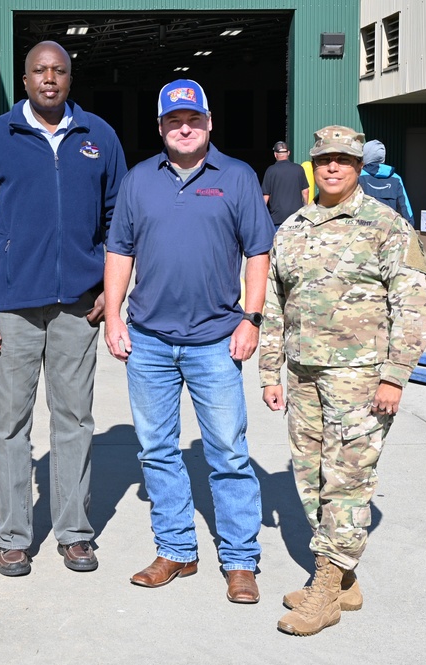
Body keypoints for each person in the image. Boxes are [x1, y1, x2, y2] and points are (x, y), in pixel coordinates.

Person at [0, 40, 126, 577]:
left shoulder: (99, 137)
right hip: (11, 309)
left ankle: (75, 532)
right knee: (11, 424)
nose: (49, 79)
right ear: (24, 80)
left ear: (70, 78)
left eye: (58, 71)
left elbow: (119, 220)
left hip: (80, 307)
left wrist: (110, 289)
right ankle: (12, 536)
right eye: (39, 71)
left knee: (75, 420)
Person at [259, 125, 426, 636]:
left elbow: (414, 308)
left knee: (348, 479)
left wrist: (396, 378)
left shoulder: (387, 227)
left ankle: (325, 589)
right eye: (325, 159)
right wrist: (271, 371)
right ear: (313, 166)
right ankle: (343, 582)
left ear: (359, 166)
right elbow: (274, 305)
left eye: (344, 159)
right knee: (309, 476)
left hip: (361, 378)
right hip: (303, 375)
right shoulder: (291, 228)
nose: (334, 167)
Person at [104, 79, 272, 603]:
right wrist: (114, 316)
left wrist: (252, 318)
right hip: (149, 341)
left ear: (208, 122)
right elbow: (119, 252)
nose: (184, 128)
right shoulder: (138, 181)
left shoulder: (238, 178)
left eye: (192, 119)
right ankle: (176, 550)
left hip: (216, 341)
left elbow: (258, 253)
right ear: (160, 127)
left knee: (227, 451)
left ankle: (240, 561)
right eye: (174, 121)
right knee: (157, 451)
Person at [358, 139, 414, 226]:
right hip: (389, 234)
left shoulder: (358, 176)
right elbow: (406, 212)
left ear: (365, 155)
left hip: (363, 233)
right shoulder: (396, 178)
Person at [261, 140, 309, 227]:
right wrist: (306, 209)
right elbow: (305, 192)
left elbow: (266, 196)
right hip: (296, 218)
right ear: (289, 153)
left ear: (275, 154)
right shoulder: (299, 169)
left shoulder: (270, 170)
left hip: (277, 219)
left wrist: (261, 215)